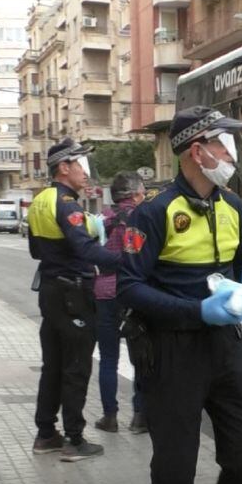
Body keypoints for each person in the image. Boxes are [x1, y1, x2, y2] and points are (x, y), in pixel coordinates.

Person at [118, 106, 242, 484]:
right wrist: (196, 311)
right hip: (171, 353)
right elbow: (129, 287)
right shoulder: (154, 212)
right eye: (224, 143)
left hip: (227, 347)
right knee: (175, 468)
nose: (231, 154)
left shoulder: (234, 207)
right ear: (197, 150)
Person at [28, 137, 121, 462]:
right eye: (81, 165)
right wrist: (125, 260)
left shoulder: (40, 201)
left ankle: (45, 434)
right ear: (64, 167)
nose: (86, 172)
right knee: (76, 366)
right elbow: (85, 249)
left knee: (52, 365)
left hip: (51, 291)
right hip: (74, 295)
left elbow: (36, 250)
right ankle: (74, 439)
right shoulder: (67, 204)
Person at [93, 171, 147, 434]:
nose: (145, 196)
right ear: (135, 194)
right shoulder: (142, 218)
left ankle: (110, 417)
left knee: (108, 359)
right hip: (133, 294)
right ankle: (139, 417)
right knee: (141, 358)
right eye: (143, 192)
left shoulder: (102, 219)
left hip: (104, 294)